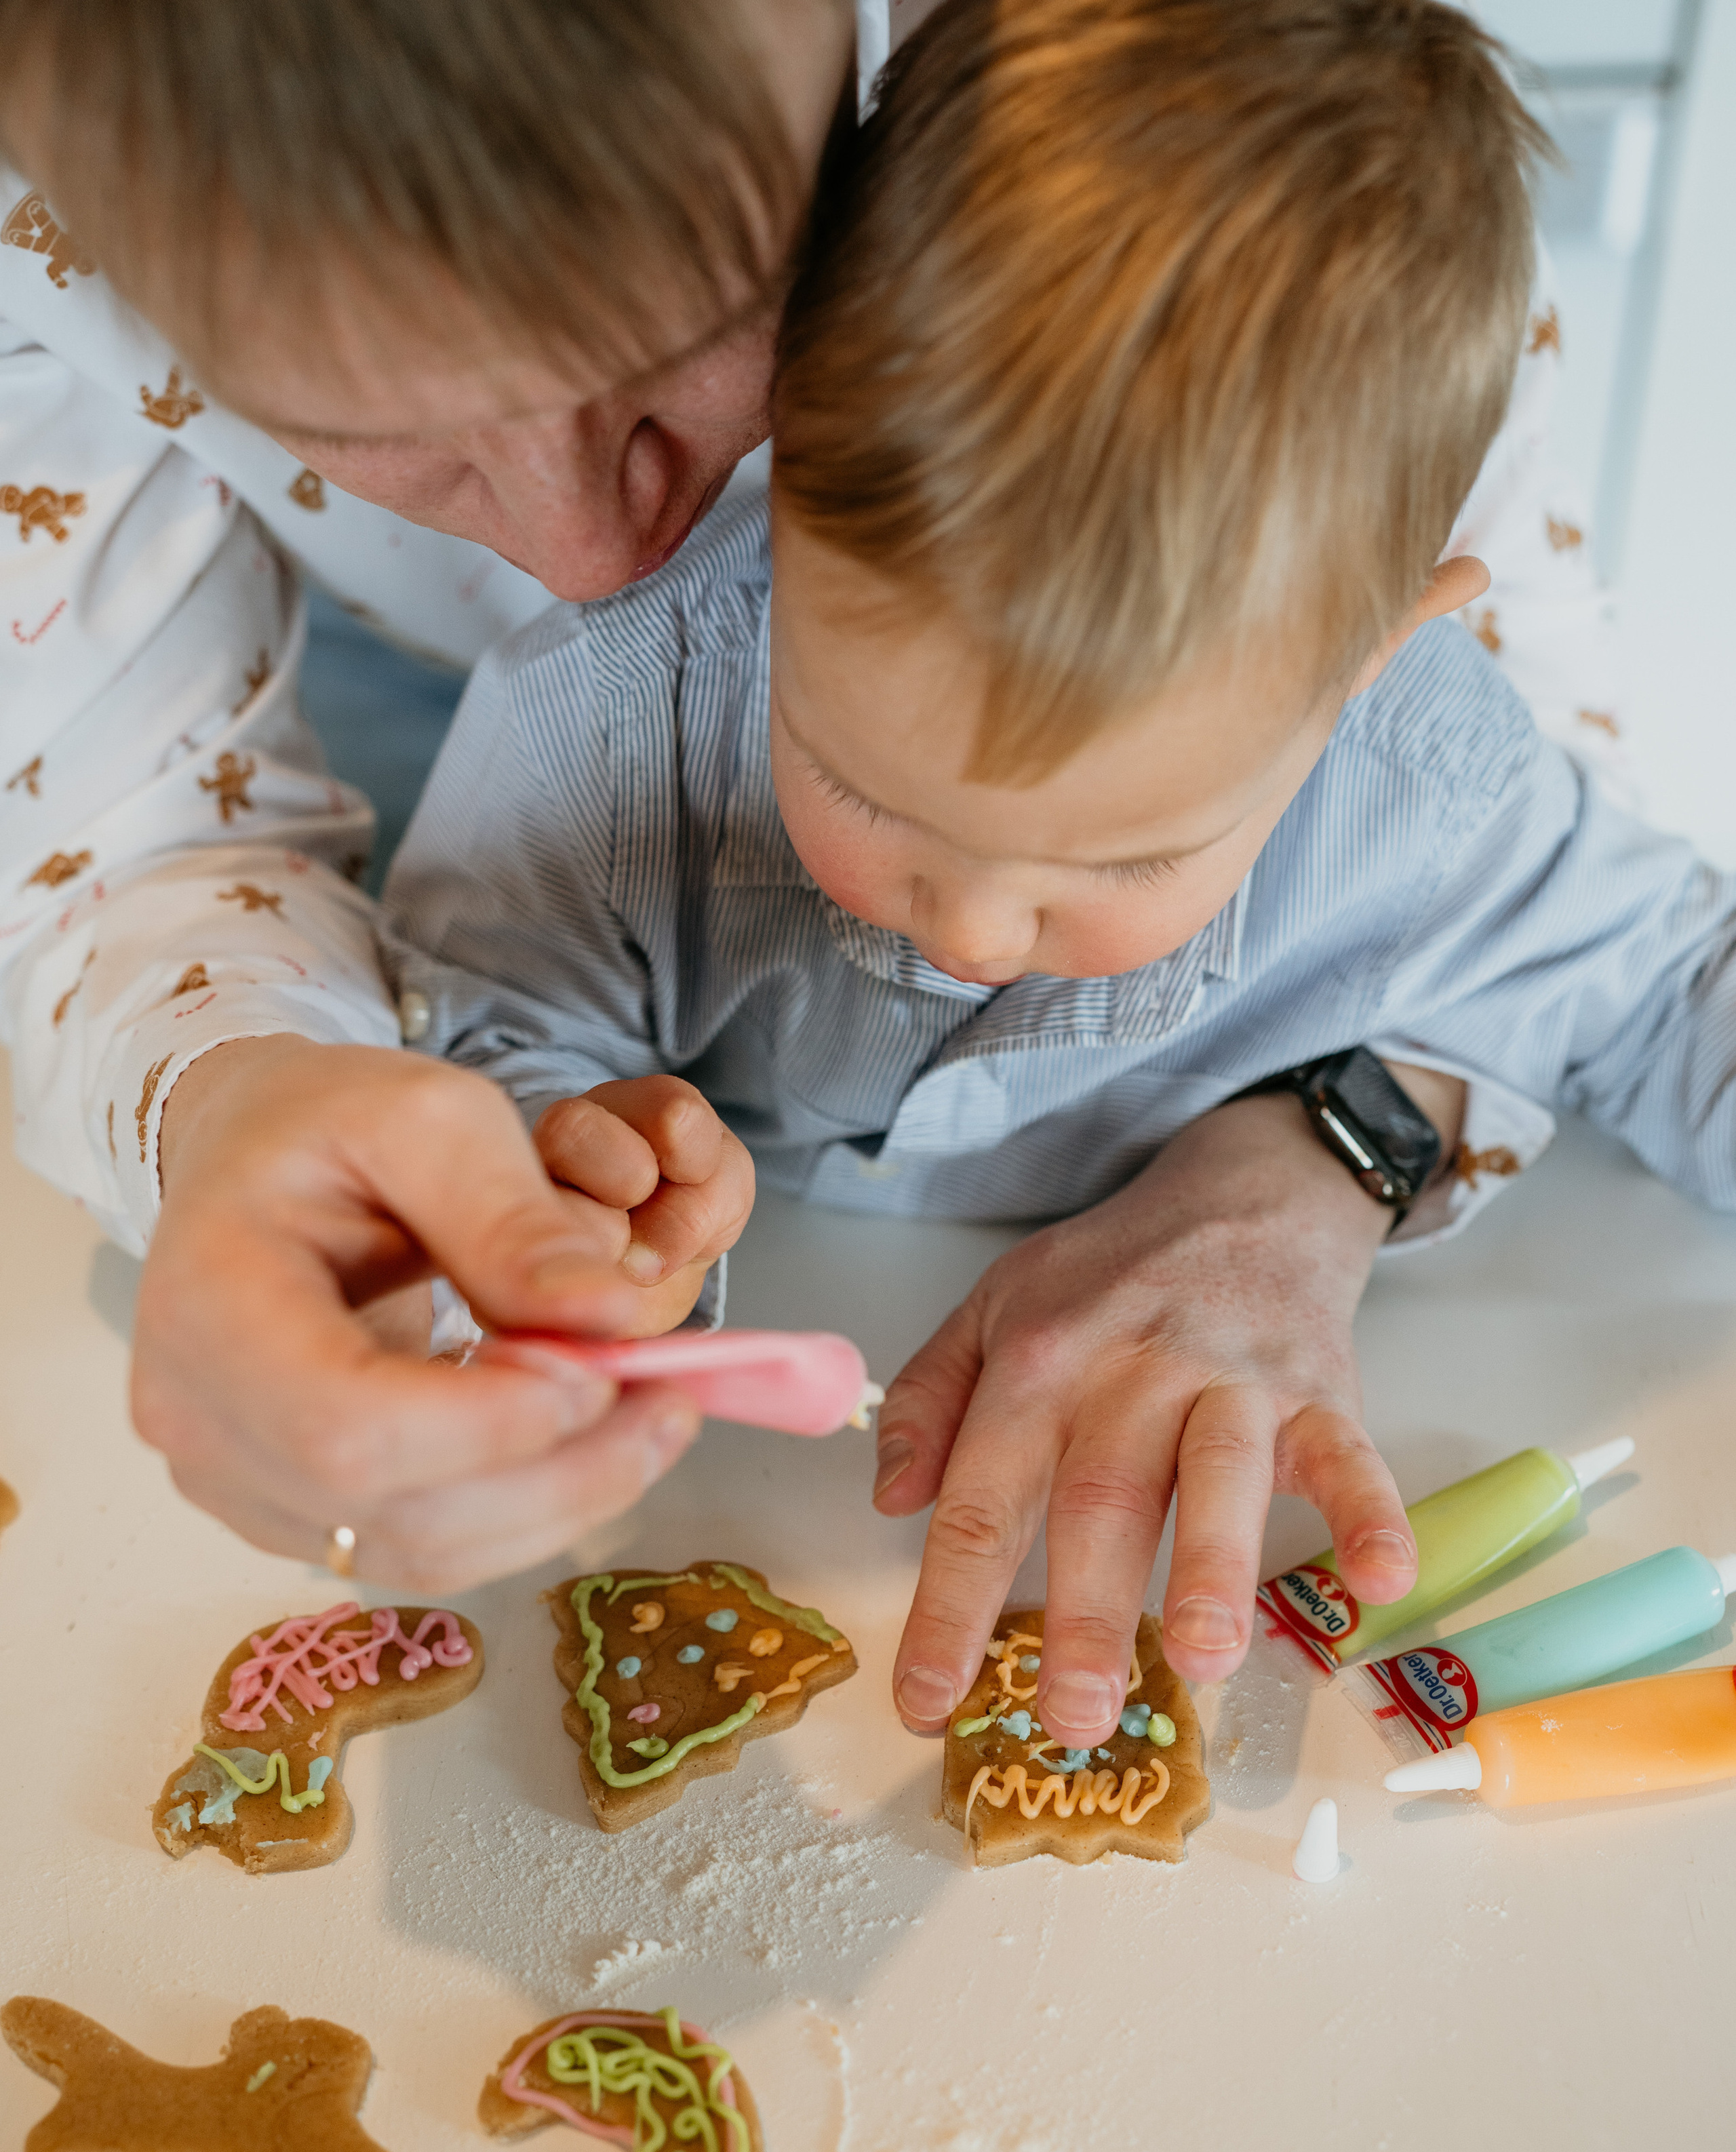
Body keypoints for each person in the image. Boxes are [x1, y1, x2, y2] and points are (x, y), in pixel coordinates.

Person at [0, 0, 1613, 1628]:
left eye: (685, 328)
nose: (589, 567)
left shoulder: (1258, 117)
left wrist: (1317, 1150)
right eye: (363, 427)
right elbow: (114, 844)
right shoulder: (38, 220)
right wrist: (232, 1095)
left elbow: (1516, 826)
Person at [372, 0, 1736, 1756]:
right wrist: (562, 1176)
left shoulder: (1436, 778)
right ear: (780, 472)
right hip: (727, 1496)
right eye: (868, 786)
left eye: (1120, 854)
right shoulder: (607, 724)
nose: (965, 925)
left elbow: (1665, 990)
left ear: (1369, 666)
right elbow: (467, 1024)